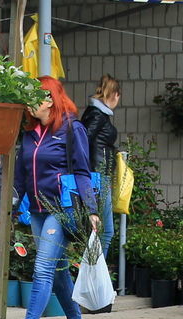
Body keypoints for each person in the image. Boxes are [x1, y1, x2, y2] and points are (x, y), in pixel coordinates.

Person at [9, 76, 99, 319]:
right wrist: (11, 210)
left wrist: (92, 210)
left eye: (31, 98)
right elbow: (21, 177)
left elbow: (83, 172)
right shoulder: (29, 133)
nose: (26, 104)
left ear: (48, 99)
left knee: (43, 267)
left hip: (62, 209)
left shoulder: (72, 129)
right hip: (37, 209)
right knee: (58, 270)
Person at [80, 74, 120, 256]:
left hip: (95, 173)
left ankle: (93, 271)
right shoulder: (99, 115)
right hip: (98, 174)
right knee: (106, 230)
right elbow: (84, 140)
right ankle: (96, 273)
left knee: (97, 230)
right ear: (114, 94)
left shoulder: (94, 113)